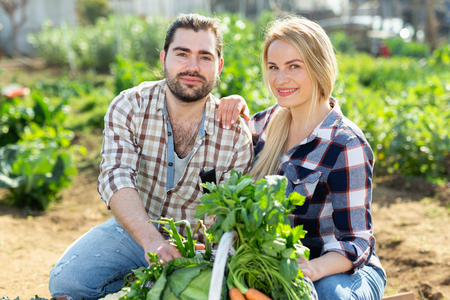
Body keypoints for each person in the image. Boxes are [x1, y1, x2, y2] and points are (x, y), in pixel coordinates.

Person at [49, 13, 253, 300]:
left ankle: (143, 286)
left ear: (218, 66)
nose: (192, 66)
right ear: (163, 58)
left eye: (204, 57)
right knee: (68, 283)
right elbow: (115, 177)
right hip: (137, 229)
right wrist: (151, 241)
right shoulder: (129, 106)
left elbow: (227, 218)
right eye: (182, 54)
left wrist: (197, 254)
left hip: (196, 247)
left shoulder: (233, 132)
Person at [218, 16, 386, 299]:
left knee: (328, 295)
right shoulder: (263, 126)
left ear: (319, 67)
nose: (280, 79)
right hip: (276, 264)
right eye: (273, 67)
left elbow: (355, 242)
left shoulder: (345, 143)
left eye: (294, 66)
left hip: (339, 270)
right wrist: (229, 103)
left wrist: (311, 270)